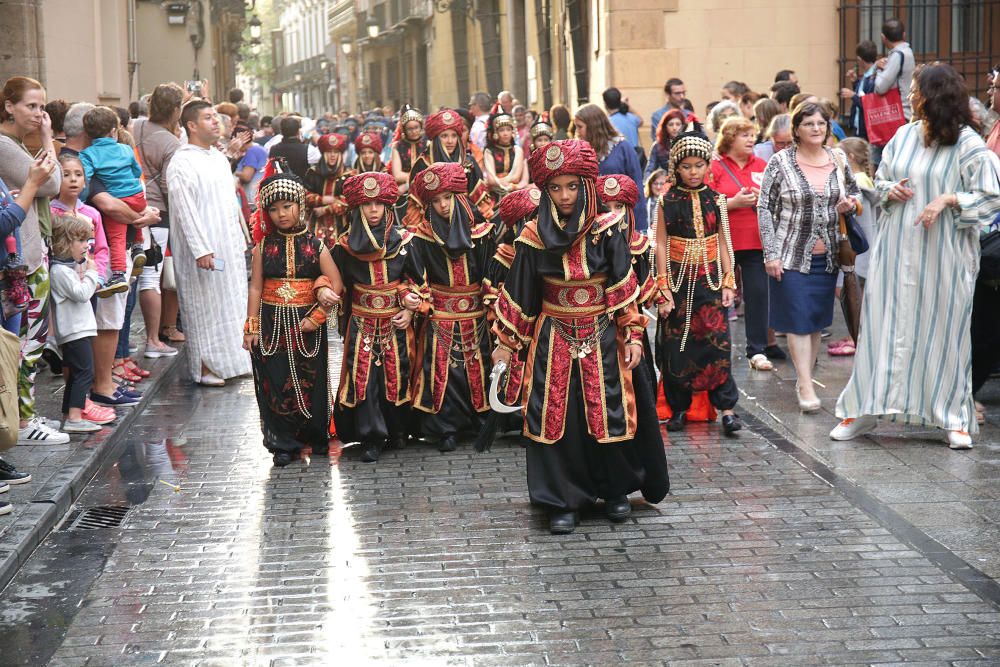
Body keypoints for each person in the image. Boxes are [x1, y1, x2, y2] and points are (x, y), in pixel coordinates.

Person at [491, 139, 669, 534]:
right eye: (555, 187)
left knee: (608, 412)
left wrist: (634, 333)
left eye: (572, 186)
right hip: (552, 335)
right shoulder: (533, 236)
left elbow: (623, 286)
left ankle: (616, 492)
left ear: (586, 185)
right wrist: (506, 343)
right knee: (558, 419)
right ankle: (562, 500)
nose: (565, 195)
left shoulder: (608, 230)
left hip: (603, 334)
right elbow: (520, 294)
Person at [833, 64, 1000, 450]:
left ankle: (952, 417)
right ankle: (865, 407)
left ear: (935, 97)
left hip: (946, 255)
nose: (909, 97)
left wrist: (949, 199)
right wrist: (891, 191)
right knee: (884, 328)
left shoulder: (968, 145)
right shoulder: (903, 136)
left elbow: (991, 197)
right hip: (897, 251)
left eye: (915, 91)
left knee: (943, 333)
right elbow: (883, 180)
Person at [758, 102, 861, 413]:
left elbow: (856, 195)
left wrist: (850, 205)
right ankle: (804, 383)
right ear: (797, 130)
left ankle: (806, 376)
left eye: (821, 123)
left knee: (815, 321)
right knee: (799, 322)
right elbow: (764, 208)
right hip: (789, 255)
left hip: (828, 255)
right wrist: (771, 253)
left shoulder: (838, 158)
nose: (816, 129)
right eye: (809, 124)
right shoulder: (780, 162)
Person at [244, 168, 343, 467]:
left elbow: (336, 283)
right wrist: (252, 326)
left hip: (306, 324)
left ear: (300, 205)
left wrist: (318, 315)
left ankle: (315, 435)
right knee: (275, 381)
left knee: (310, 378)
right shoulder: (263, 247)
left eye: (287, 206)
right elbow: (256, 286)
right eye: (273, 209)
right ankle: (282, 442)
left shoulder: (316, 245)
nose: (281, 214)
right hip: (272, 322)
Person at [654, 131, 743, 435]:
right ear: (676, 168)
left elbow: (723, 243)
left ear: (708, 165)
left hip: (710, 281)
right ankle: (679, 408)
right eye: (686, 166)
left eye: (699, 165)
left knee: (718, 345)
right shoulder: (667, 201)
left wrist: (728, 282)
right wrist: (663, 287)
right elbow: (661, 245)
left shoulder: (716, 200)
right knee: (677, 346)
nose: (693, 172)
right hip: (678, 284)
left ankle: (727, 408)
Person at [332, 171, 422, 463]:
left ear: (388, 206)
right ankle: (371, 436)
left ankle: (397, 430)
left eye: (379, 204)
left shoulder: (406, 241)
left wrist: (410, 306)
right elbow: (333, 280)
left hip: (395, 322)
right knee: (365, 379)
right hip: (362, 322)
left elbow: (418, 280)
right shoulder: (344, 246)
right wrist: (324, 291)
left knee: (396, 376)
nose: (373, 210)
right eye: (367, 205)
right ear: (357, 208)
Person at [406, 162, 495, 452]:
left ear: (460, 197)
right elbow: (415, 277)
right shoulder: (420, 236)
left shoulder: (482, 232)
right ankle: (445, 428)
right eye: (436, 200)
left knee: (478, 366)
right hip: (439, 314)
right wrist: (420, 302)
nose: (443, 205)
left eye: (448, 198)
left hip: (477, 315)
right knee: (441, 370)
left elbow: (491, 274)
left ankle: (481, 420)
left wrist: (491, 301)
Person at [1, 76, 68, 447]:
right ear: (9, 106)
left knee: (32, 340)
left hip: (29, 255)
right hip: (20, 262)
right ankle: (23, 420)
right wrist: (47, 139)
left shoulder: (14, 144)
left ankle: (22, 415)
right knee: (25, 342)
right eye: (31, 106)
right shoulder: (4, 146)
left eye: (42, 107)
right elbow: (50, 184)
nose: (39, 114)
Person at [166, 99, 252, 386]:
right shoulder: (181, 162)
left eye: (216, 116)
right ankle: (204, 367)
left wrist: (241, 237)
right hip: (204, 250)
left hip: (227, 245)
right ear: (191, 125)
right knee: (202, 306)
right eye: (208, 117)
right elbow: (185, 209)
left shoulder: (215, 156)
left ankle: (233, 360)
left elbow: (227, 201)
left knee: (230, 303)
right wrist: (201, 249)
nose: (216, 121)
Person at [708, 117, 774, 370]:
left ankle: (756, 350)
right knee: (719, 295)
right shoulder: (714, 166)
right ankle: (716, 345)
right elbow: (704, 204)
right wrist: (732, 203)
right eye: (744, 135)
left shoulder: (762, 164)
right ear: (729, 138)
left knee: (758, 295)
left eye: (752, 135)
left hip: (756, 241)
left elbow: (776, 198)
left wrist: (763, 200)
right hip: (723, 241)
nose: (751, 139)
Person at [132, 83, 184, 358]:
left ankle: (146, 339)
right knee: (151, 278)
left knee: (134, 276)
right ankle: (153, 340)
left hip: (130, 208)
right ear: (176, 110)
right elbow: (169, 185)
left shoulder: (134, 125)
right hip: (156, 213)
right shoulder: (170, 143)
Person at [78, 106, 147, 293]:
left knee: (117, 238)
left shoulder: (87, 154)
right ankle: (139, 247)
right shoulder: (125, 148)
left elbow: (87, 179)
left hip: (117, 199)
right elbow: (137, 170)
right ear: (114, 131)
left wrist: (82, 200)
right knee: (138, 216)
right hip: (137, 195)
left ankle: (118, 274)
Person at [48, 214, 103, 434]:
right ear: (65, 242)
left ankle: (67, 414)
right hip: (75, 331)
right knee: (85, 373)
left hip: (76, 330)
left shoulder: (64, 270)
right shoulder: (60, 272)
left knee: (75, 373)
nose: (86, 245)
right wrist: (91, 272)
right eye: (80, 240)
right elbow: (82, 294)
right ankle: (75, 417)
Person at [827, 136, 877, 358]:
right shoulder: (864, 178)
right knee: (852, 290)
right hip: (862, 245)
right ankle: (856, 334)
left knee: (851, 290)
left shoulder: (858, 180)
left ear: (850, 157)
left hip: (858, 245)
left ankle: (859, 335)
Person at [407, 109, 493, 224]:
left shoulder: (468, 162)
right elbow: (415, 207)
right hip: (431, 225)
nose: (450, 141)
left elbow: (481, 202)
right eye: (444, 136)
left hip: (466, 223)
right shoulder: (422, 164)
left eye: (454, 135)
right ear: (435, 138)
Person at [573, 104, 647, 231]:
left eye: (580, 127)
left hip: (621, 221)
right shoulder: (579, 151)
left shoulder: (623, 148)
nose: (577, 132)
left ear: (593, 126)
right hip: (591, 223)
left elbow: (637, 187)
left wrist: (639, 228)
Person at [304, 132, 354, 242]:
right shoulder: (313, 173)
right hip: (316, 223)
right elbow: (305, 195)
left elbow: (350, 200)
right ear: (323, 153)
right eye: (329, 152)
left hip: (342, 224)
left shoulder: (349, 174)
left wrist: (326, 209)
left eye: (336, 152)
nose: (332, 155)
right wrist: (322, 199)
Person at [874, 17, 916, 121]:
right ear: (904, 35)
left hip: (898, 114)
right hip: (908, 111)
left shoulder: (898, 55)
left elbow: (880, 88)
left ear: (883, 37)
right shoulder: (908, 52)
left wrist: (879, 69)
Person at [840, 40, 879, 141]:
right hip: (859, 128)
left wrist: (852, 95)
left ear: (859, 59)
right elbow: (862, 96)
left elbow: (869, 104)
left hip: (866, 131)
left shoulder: (873, 77)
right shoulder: (867, 76)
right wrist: (855, 82)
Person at [482, 107, 525, 198]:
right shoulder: (489, 151)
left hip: (514, 192)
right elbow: (491, 179)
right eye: (501, 130)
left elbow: (516, 177)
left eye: (508, 129)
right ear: (496, 132)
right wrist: (497, 182)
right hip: (494, 195)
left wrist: (498, 181)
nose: (505, 133)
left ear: (512, 131)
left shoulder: (517, 150)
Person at [389, 104, 426, 199]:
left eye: (416, 127)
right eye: (410, 129)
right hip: (403, 192)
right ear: (404, 130)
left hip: (427, 187)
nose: (414, 131)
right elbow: (397, 175)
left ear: (421, 126)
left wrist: (408, 184)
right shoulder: (397, 146)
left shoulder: (429, 144)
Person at [644, 109, 685, 181]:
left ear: (683, 126)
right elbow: (649, 170)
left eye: (678, 124)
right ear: (665, 127)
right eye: (671, 124)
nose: (674, 128)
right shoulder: (657, 145)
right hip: (665, 184)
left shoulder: (689, 144)